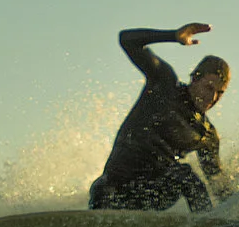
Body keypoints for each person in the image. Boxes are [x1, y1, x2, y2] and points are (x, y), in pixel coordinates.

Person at [89, 23, 230, 211]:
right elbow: (127, 39)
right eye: (209, 88)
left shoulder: (206, 134)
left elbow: (218, 185)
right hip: (113, 188)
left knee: (185, 176)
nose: (212, 98)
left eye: (220, 93)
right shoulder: (164, 84)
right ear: (195, 78)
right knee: (183, 173)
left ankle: (207, 224)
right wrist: (173, 35)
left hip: (150, 196)